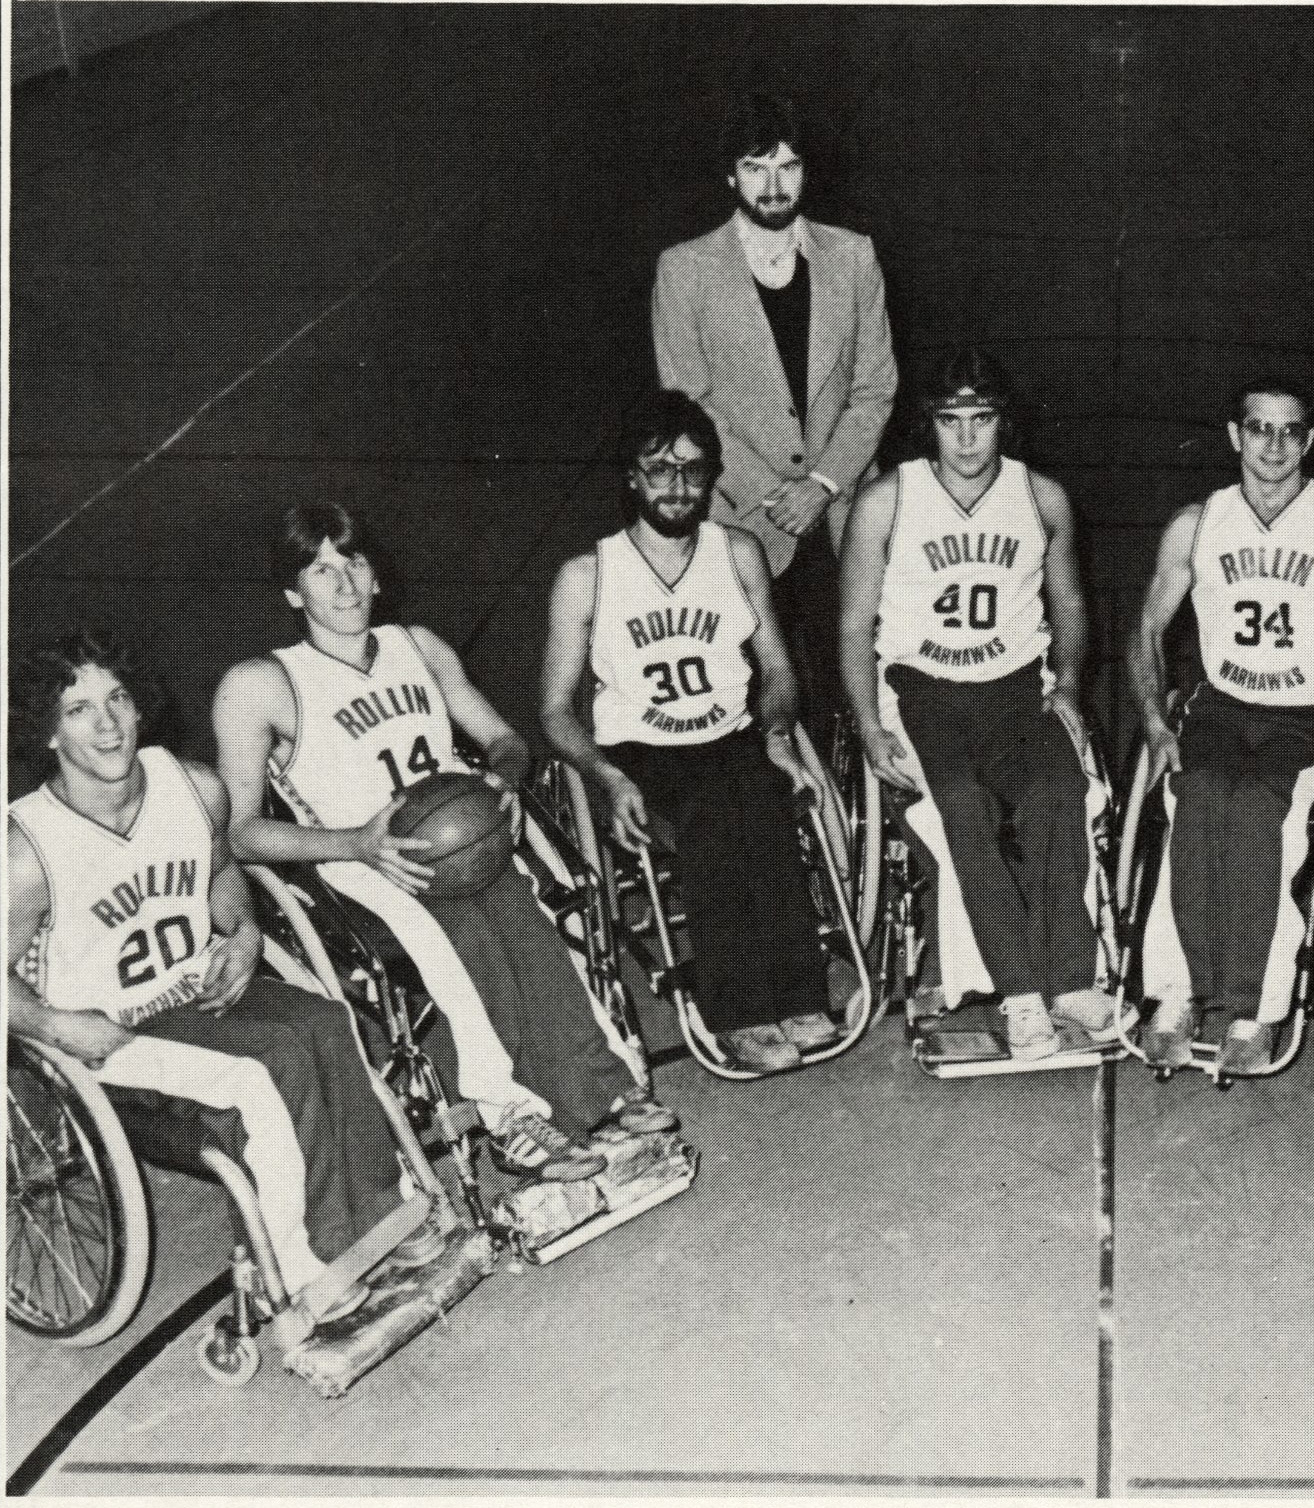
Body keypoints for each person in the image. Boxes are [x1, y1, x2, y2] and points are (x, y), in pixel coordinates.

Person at [213, 504, 677, 1182]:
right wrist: (355, 842)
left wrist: (505, 783)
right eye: (320, 570)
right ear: (293, 592)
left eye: (354, 564)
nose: (342, 585)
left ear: (376, 576)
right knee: (463, 945)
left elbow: (505, 740)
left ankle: (598, 1088)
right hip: (360, 861)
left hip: (462, 837)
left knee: (534, 928)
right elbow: (239, 831)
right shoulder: (259, 685)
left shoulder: (420, 648)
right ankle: (509, 1116)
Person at [9, 630, 440, 1319]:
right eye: (79, 710)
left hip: (199, 990)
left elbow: (221, 877)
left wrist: (242, 935)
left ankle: (376, 1221)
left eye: (116, 699)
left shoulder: (193, 785)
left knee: (330, 1023)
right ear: (49, 734)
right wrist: (56, 1024)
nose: (109, 723)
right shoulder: (26, 849)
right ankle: (302, 1273)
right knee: (262, 1072)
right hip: (114, 1035)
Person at [541, 390, 837, 1074]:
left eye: (694, 471)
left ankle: (798, 995)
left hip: (730, 735)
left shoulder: (737, 554)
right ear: (632, 477)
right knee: (709, 812)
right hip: (641, 749)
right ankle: (736, 1011)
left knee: (760, 795)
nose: (677, 487)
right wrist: (606, 776)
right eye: (659, 470)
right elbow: (555, 709)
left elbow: (779, 671)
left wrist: (778, 730)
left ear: (712, 477)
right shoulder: (586, 576)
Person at [838, 348, 1120, 1061]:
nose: (965, 438)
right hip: (923, 689)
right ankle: (1019, 993)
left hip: (1015, 687)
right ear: (928, 425)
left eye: (981, 419)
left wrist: (1069, 686)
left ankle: (1070, 981)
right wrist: (869, 724)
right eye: (950, 420)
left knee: (1059, 788)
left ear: (1004, 423)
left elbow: (1072, 601)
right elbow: (852, 624)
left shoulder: (1041, 497)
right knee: (962, 802)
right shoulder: (886, 501)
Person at [1125, 378, 1314, 1073]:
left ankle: (1259, 1005)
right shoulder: (1199, 521)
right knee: (1194, 797)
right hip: (1221, 704)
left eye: (1289, 431)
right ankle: (1178, 992)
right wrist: (1156, 723)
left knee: (1259, 815)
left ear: (1309, 440)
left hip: (1307, 714)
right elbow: (1149, 628)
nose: (1273, 445)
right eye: (1258, 428)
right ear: (1234, 435)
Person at [653, 91, 898, 742]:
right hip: (743, 513)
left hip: (840, 506)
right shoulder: (684, 270)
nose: (773, 183)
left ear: (807, 173)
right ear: (731, 175)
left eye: (788, 166)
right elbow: (688, 401)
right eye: (756, 167)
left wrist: (821, 486)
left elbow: (874, 388)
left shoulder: (853, 257)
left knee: (857, 681)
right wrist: (774, 495)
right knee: (762, 693)